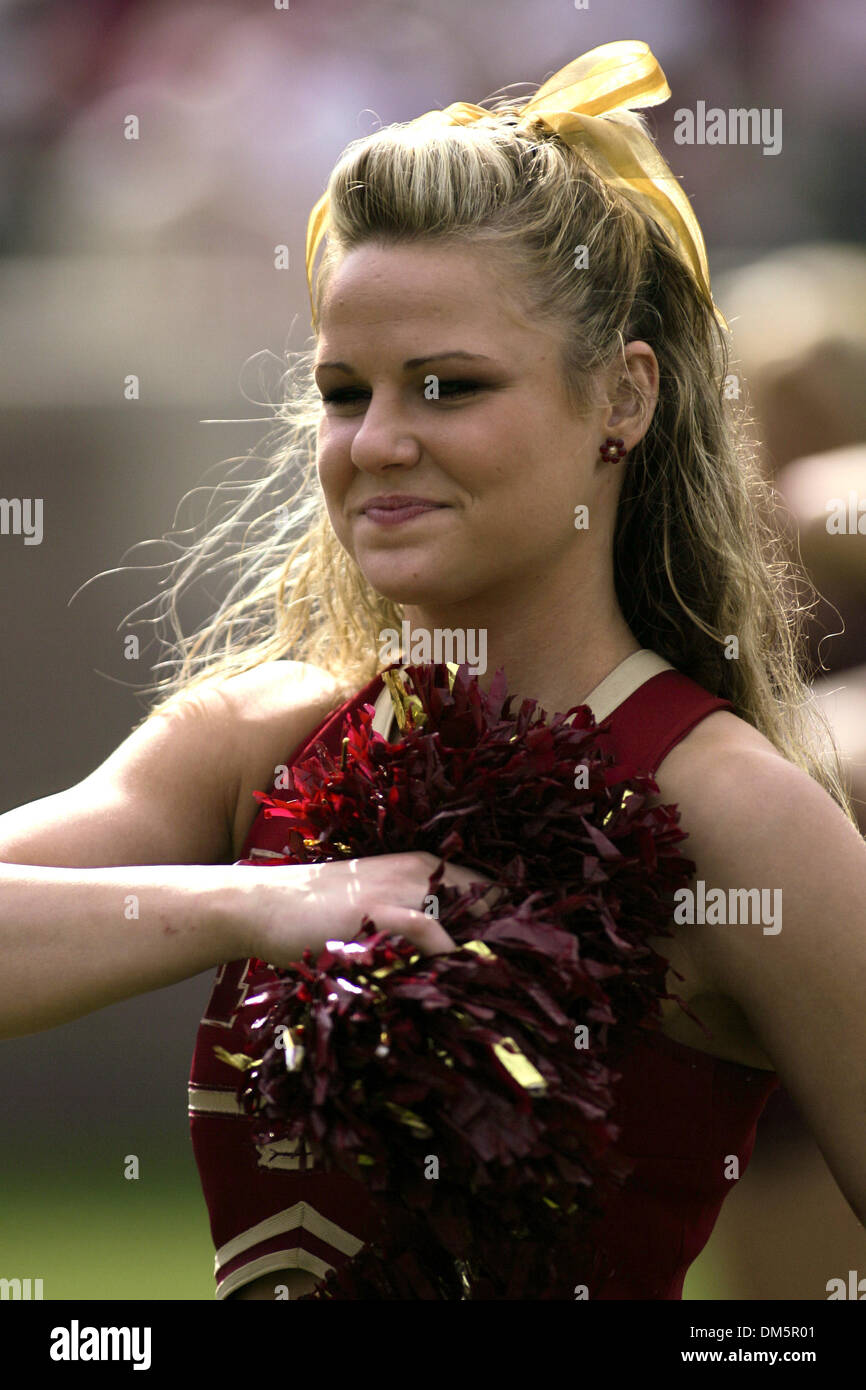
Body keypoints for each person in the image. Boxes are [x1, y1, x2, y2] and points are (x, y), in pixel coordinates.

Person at [1, 41, 864, 1300]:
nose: (380, 441)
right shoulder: (255, 739)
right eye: (343, 391)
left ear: (620, 398)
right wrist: (263, 903)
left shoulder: (730, 809)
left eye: (448, 386)